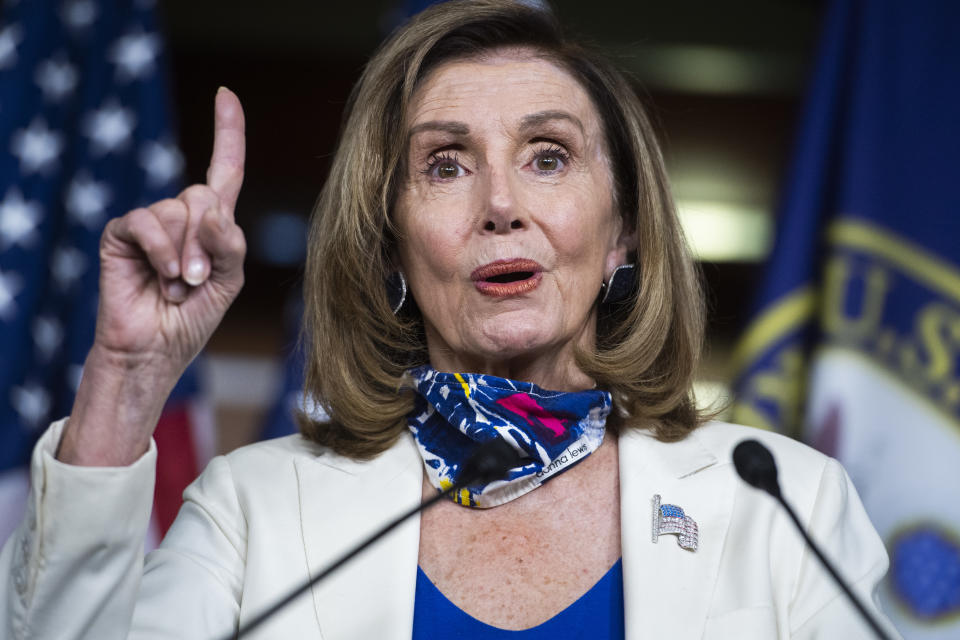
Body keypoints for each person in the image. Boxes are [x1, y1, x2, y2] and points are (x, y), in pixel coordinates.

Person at [1, 1, 900, 638]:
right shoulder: (257, 512)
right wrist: (127, 375)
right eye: (444, 165)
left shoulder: (783, 507)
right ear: (391, 246)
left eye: (548, 157)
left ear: (623, 234)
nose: (501, 203)